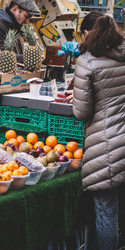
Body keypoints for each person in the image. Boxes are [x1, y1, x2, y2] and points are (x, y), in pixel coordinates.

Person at [72, 11, 125, 249]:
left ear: (87, 34)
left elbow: (82, 112)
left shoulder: (87, 62)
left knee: (106, 212)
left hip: (106, 146)